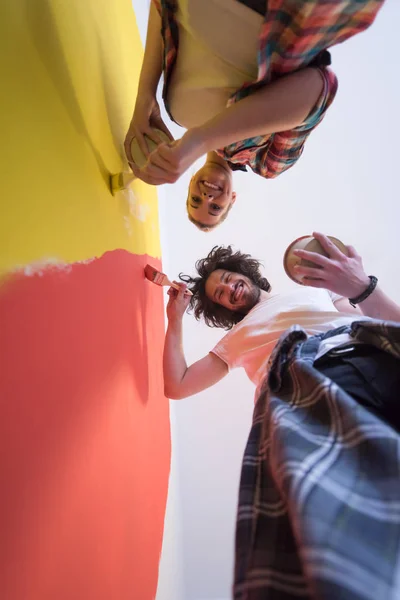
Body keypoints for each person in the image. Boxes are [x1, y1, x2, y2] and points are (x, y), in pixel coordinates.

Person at [163, 232, 400, 599]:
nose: (229, 289)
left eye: (227, 279)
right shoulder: (237, 337)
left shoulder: (316, 292)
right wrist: (174, 319)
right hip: (302, 385)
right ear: (225, 309)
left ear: (244, 272)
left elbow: (385, 326)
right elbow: (177, 385)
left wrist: (361, 287)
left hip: (359, 354)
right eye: (221, 295)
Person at [125, 0, 385, 230]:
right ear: (233, 199)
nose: (207, 197)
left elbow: (167, 12)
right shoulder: (267, 163)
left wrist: (144, 96)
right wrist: (201, 140)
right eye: (215, 207)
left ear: (191, 182)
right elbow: (319, 88)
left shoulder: (176, 114)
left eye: (195, 199)